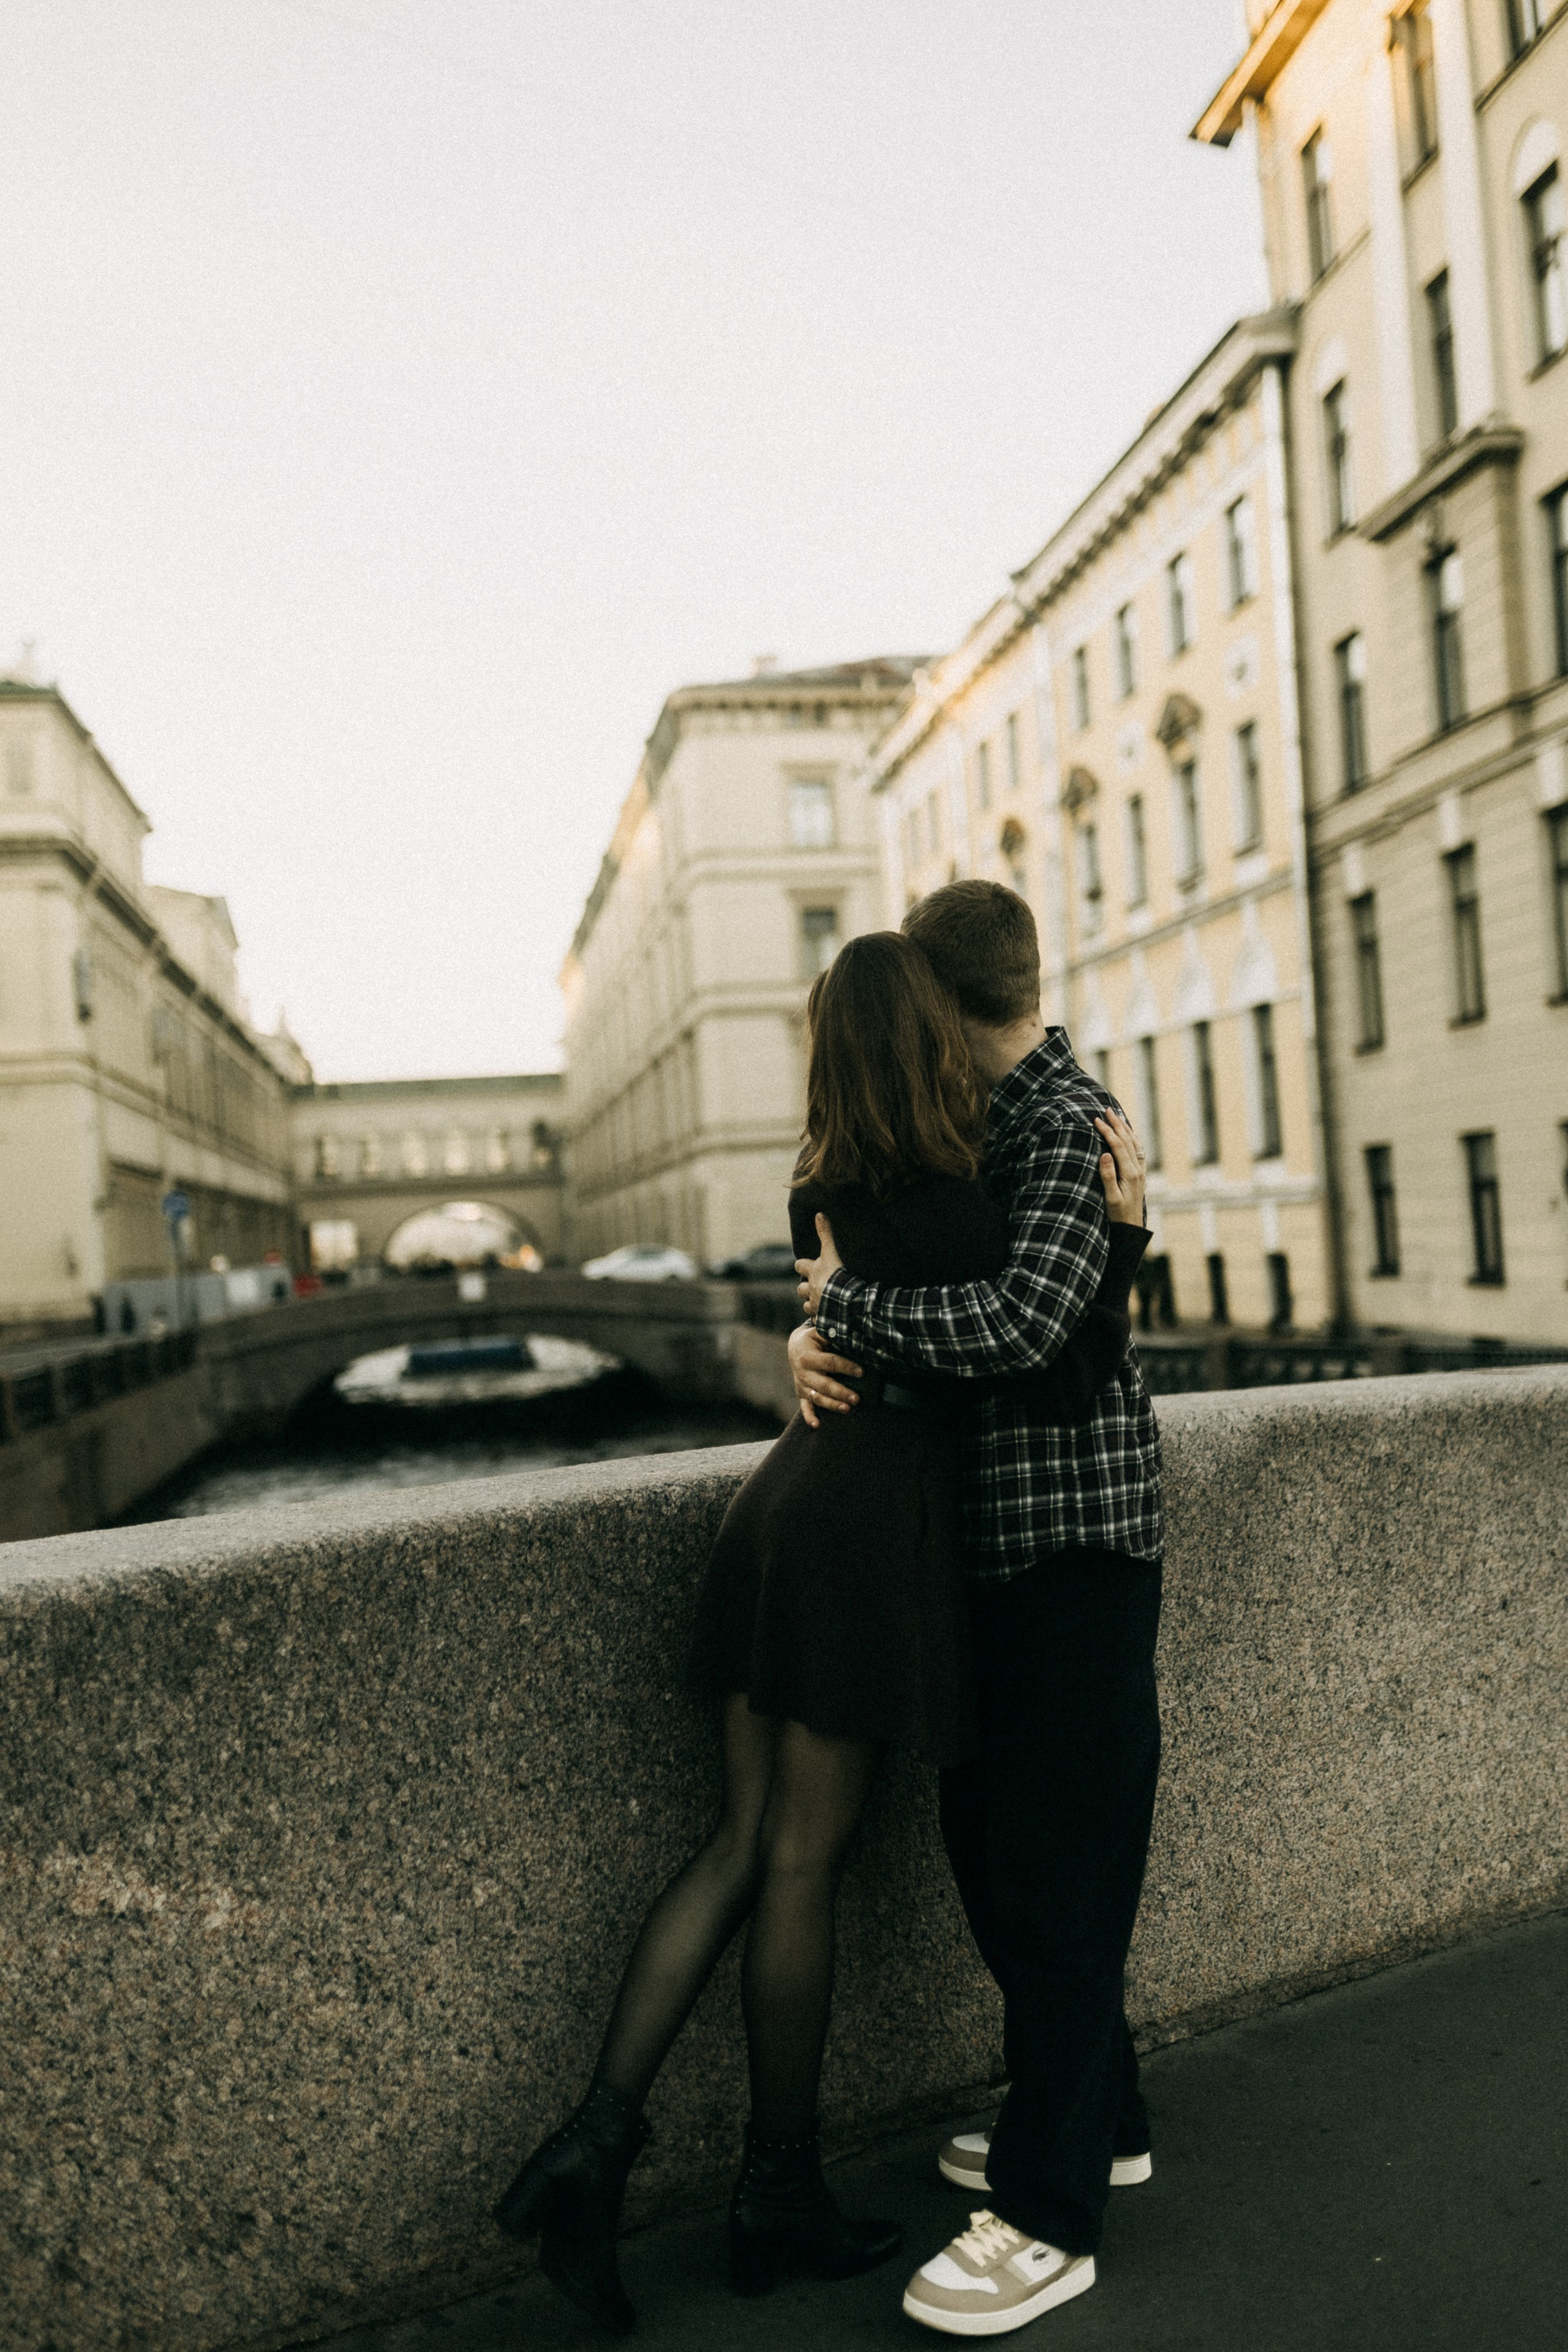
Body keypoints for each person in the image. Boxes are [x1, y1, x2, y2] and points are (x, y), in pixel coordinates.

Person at [491, 929, 1149, 2334]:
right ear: (926, 1038)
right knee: (799, 1861)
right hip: (859, 1544)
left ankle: (594, 2138)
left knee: (736, 1845)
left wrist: (828, 1320)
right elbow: (1051, 1348)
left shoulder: (816, 1187)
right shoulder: (953, 1195)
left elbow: (864, 1331)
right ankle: (775, 2189)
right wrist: (1124, 1238)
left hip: (775, 1513)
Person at [793, 880, 1163, 2339]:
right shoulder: (962, 1126)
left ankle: (1052, 2210)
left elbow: (1019, 1326)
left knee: (1060, 1873)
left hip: (1076, 1545)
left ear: (938, 1004)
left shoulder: (1066, 1124)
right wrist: (807, 1325)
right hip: (989, 1553)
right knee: (994, 1846)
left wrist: (840, 1315)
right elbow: (906, 1269)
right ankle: (1096, 2116)